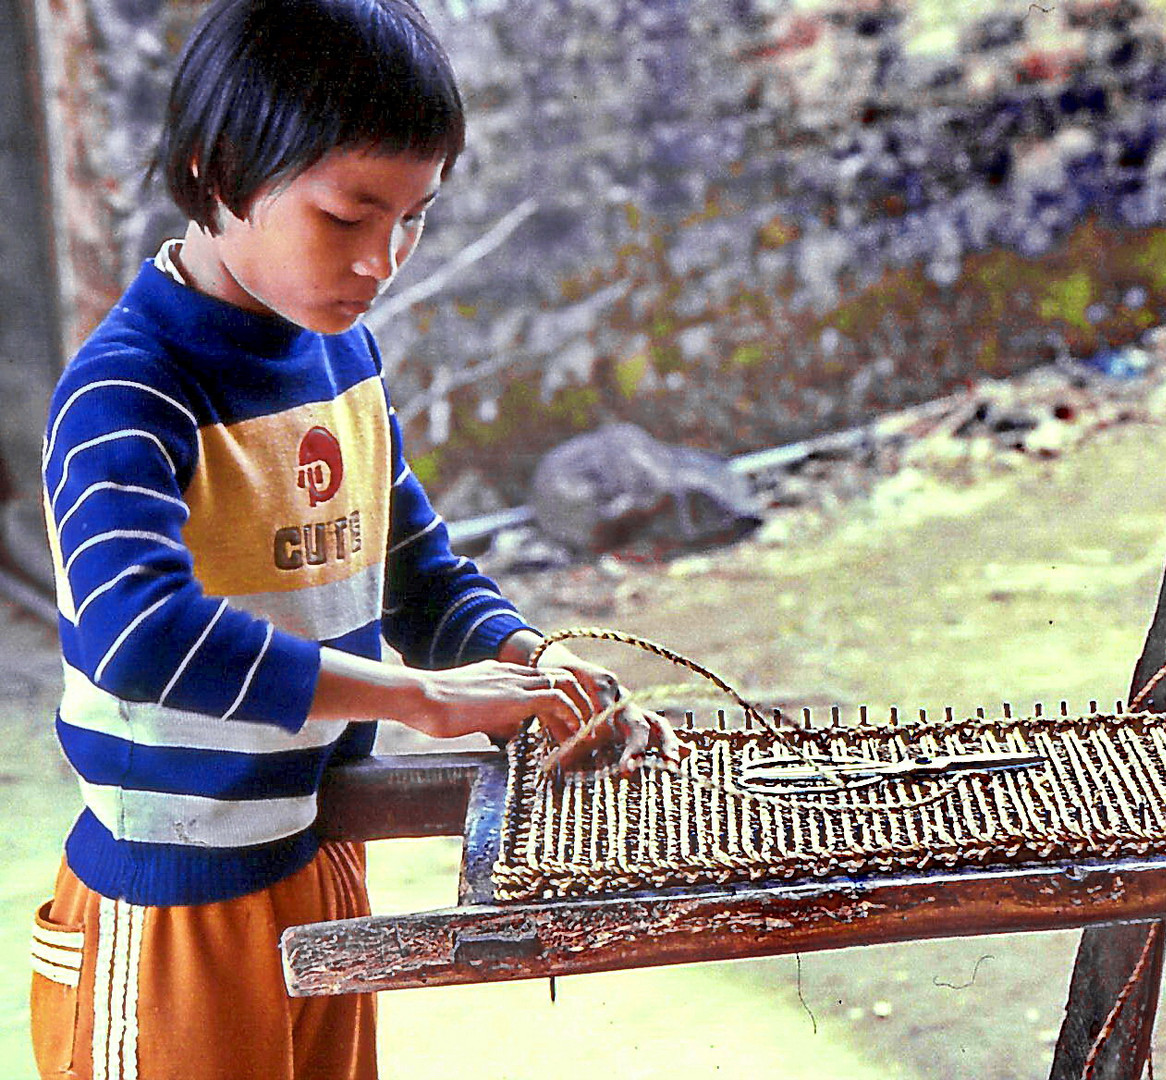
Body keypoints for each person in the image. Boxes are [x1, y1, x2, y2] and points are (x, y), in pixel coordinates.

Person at [29, 1, 686, 1076]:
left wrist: (531, 661)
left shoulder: (341, 358)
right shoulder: (128, 390)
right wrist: (418, 700)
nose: (384, 260)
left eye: (414, 218)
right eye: (347, 216)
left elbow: (412, 573)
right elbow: (138, 635)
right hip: (173, 907)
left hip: (322, 851)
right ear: (220, 167)